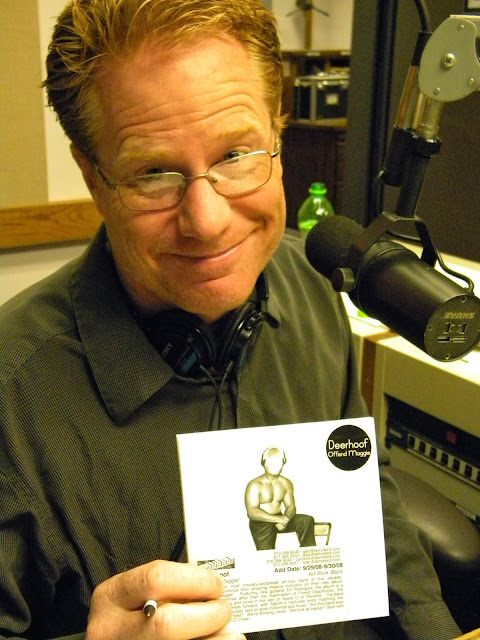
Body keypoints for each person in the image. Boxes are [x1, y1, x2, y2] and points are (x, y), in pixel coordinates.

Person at [0, 1, 462, 639]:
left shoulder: (313, 288)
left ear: (279, 133)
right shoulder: (13, 398)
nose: (208, 220)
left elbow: (366, 491)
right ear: (93, 177)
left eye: (237, 153)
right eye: (153, 173)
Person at [245, 447, 316, 550]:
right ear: (264, 463)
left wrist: (285, 519)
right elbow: (252, 512)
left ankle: (308, 553)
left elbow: (291, 506)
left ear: (283, 463)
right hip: (261, 523)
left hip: (281, 518)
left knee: (306, 520)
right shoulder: (254, 485)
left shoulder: (286, 483)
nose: (275, 465)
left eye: (278, 462)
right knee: (267, 556)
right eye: (271, 462)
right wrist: (278, 519)